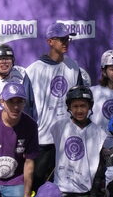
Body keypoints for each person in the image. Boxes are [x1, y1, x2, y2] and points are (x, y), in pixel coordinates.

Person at [26, 22, 83, 188]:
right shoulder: (33, 70)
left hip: (67, 139)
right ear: (50, 41)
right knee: (38, 187)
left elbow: (80, 102)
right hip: (43, 140)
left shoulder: (73, 66)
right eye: (61, 39)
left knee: (64, 187)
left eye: (67, 39)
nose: (66, 42)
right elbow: (27, 109)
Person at [50, 85, 108, 197]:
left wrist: (94, 193)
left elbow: (99, 166)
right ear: (69, 107)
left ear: (90, 106)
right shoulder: (59, 127)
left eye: (83, 106)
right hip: (61, 188)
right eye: (75, 106)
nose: (79, 110)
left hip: (84, 192)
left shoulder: (98, 133)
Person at [0, 44, 36, 119]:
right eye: (0, 59)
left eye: (8, 58)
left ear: (13, 61)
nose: (4, 62)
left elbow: (29, 108)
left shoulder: (21, 79)